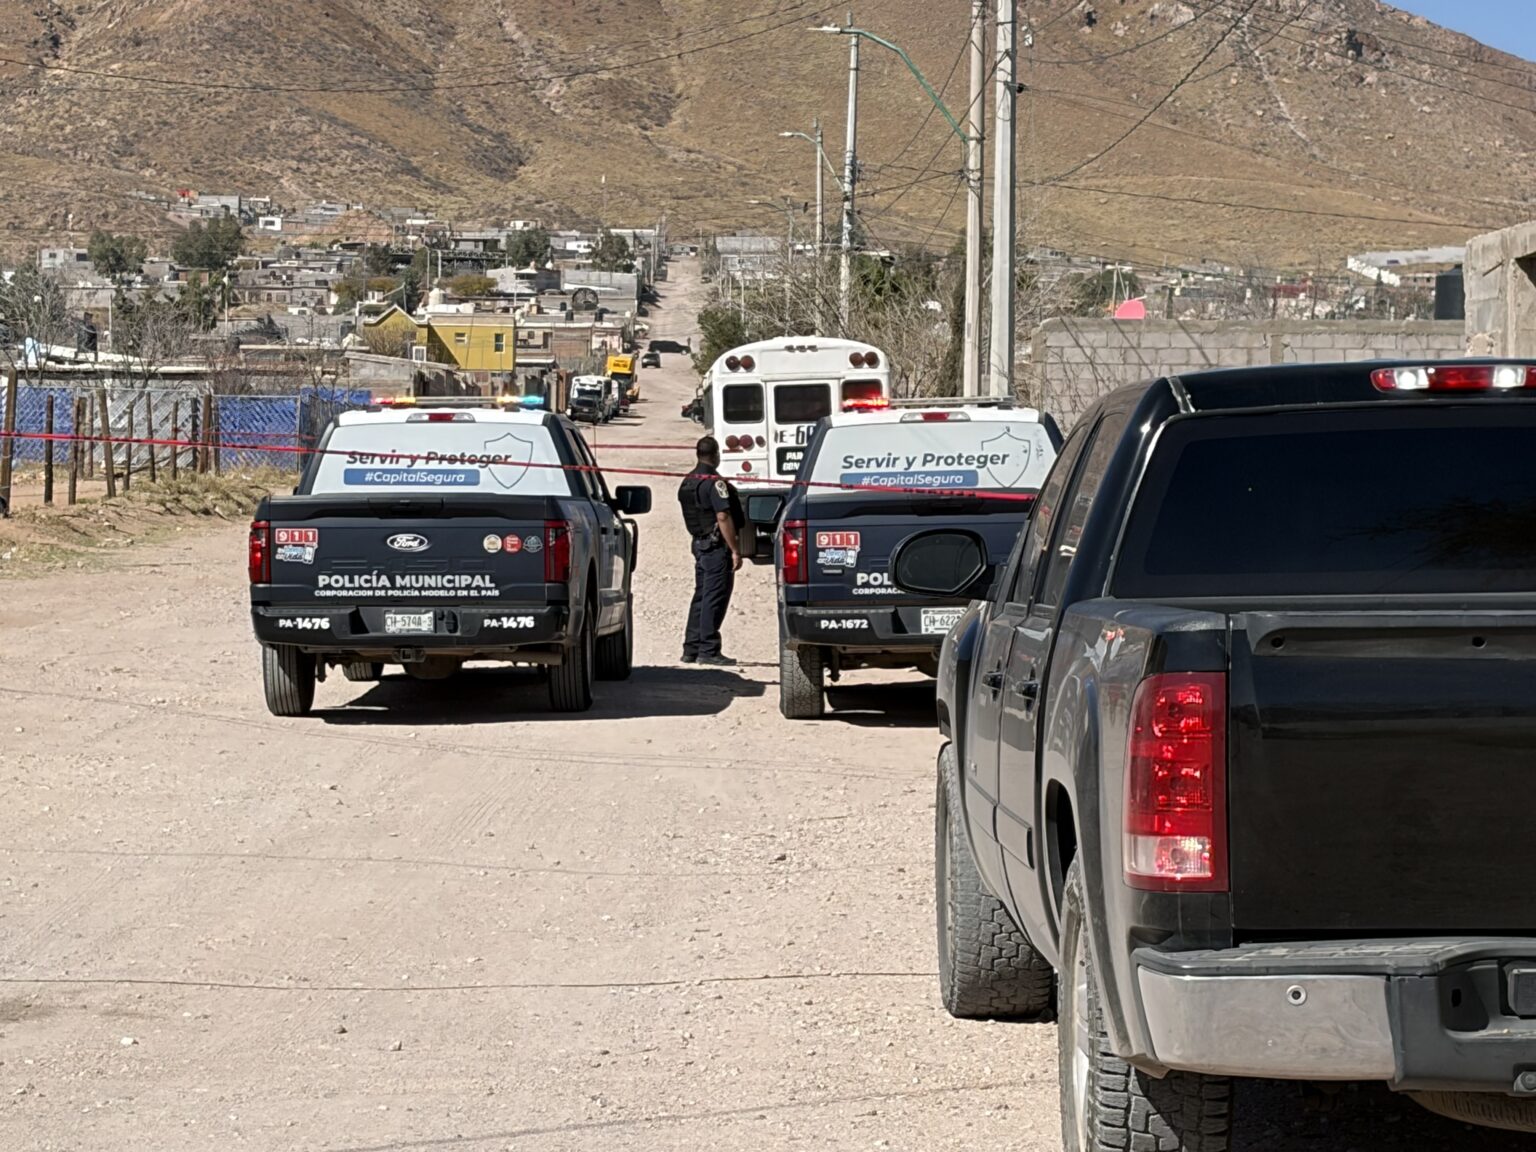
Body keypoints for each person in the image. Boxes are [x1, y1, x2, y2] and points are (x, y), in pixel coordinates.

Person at [677, 435, 743, 666]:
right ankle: (708, 649)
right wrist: (735, 549)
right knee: (714, 597)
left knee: (702, 596)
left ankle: (691, 648)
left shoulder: (688, 481)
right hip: (715, 547)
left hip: (699, 543)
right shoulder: (715, 483)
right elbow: (723, 516)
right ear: (716, 455)